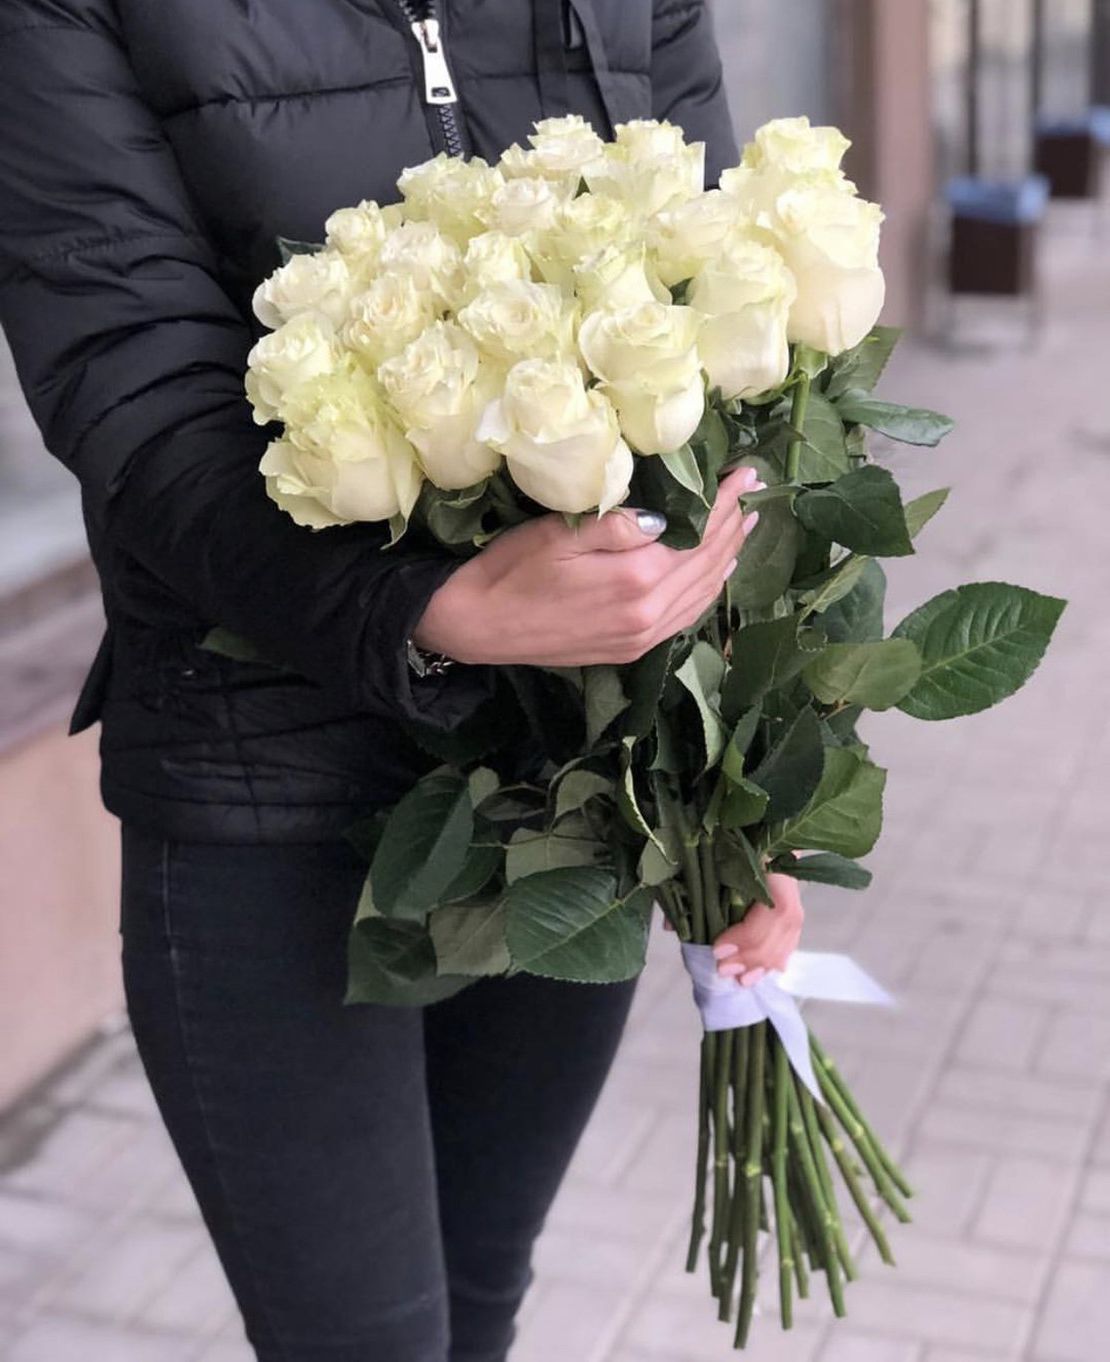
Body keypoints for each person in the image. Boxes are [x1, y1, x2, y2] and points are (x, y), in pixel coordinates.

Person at [0, 3, 804, 1359]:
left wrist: (743, 775)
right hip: (265, 779)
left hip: (574, 781)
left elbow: (725, 331)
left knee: (480, 1297)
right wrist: (418, 611)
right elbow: (127, 376)